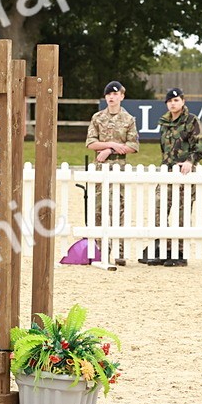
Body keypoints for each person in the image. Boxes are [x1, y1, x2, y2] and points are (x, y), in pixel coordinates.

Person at [141, 87, 202, 266]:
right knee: (159, 210)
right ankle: (164, 249)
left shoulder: (191, 121)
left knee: (182, 213)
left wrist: (190, 161)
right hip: (166, 174)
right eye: (170, 101)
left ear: (183, 101)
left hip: (185, 174)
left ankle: (179, 253)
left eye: (176, 100)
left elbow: (200, 147)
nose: (173, 103)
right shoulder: (164, 123)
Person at [84, 80, 139, 266]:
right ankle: (100, 251)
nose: (111, 97)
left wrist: (110, 150)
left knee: (118, 210)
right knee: (98, 210)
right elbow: (91, 143)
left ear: (122, 96)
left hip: (118, 170)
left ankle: (119, 252)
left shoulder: (129, 119)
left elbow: (133, 146)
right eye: (108, 94)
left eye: (115, 94)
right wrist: (112, 144)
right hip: (99, 170)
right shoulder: (97, 117)